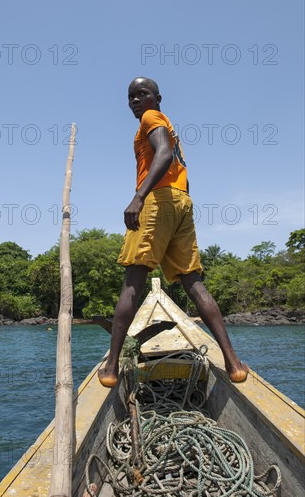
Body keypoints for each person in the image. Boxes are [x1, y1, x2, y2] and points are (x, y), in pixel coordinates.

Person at [98, 77, 248, 388]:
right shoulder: (170, 128)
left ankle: (111, 367)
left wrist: (139, 197)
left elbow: (163, 154)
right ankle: (233, 363)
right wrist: (180, 206)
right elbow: (180, 169)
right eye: (131, 97)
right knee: (193, 282)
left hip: (158, 200)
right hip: (182, 201)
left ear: (158, 98)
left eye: (143, 94)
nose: (136, 100)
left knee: (133, 282)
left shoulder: (152, 119)